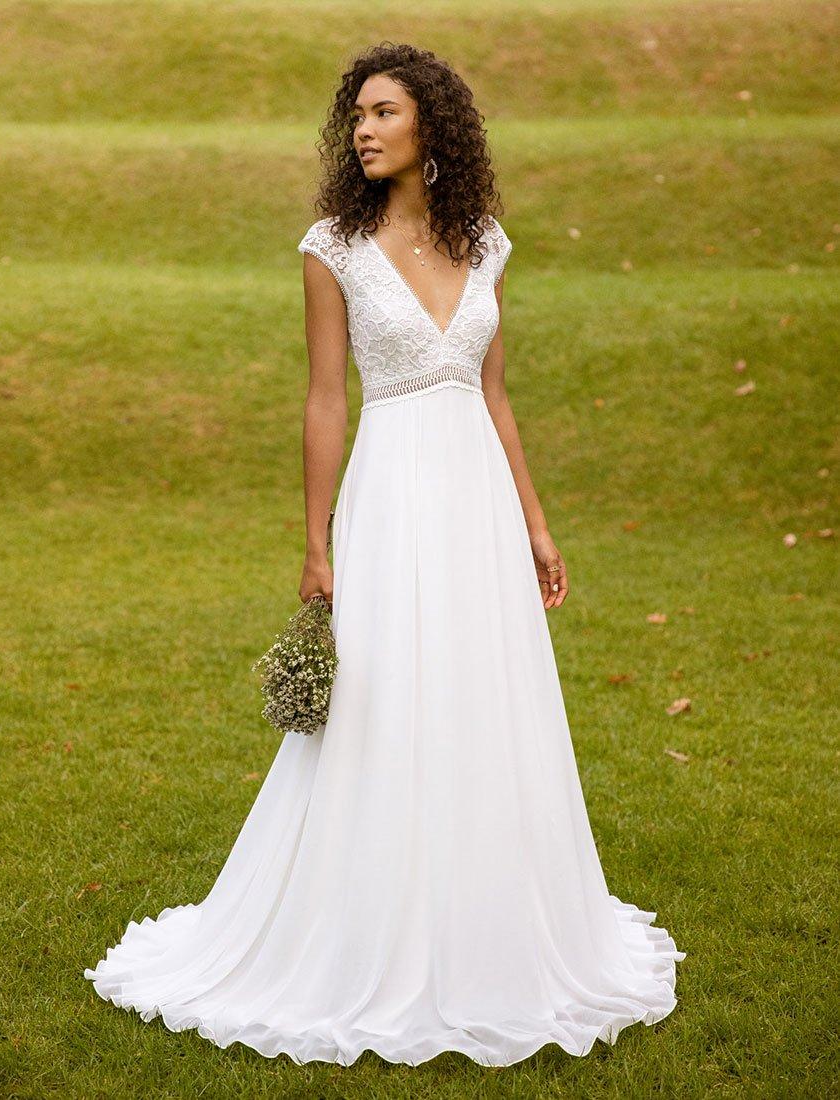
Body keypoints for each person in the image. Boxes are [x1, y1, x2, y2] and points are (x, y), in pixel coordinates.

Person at [84, 41, 685, 1067]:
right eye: (354, 114)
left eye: (383, 111)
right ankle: (371, 922)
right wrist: (314, 544)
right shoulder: (333, 248)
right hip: (393, 491)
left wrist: (535, 523)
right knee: (387, 698)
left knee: (481, 696)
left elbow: (495, 395)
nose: (362, 128)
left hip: (478, 503)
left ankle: (488, 920)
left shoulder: (487, 243)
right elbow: (327, 398)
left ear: (431, 127)